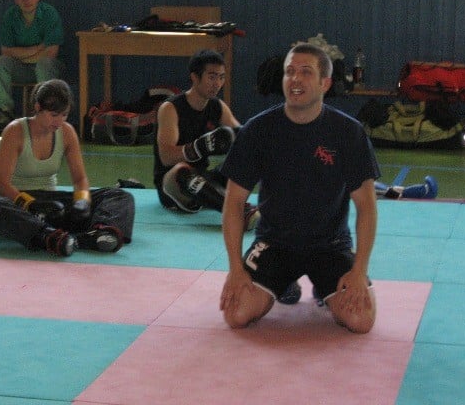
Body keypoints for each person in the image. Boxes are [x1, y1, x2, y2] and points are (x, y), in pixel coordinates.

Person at [219, 43, 379, 334]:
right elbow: (233, 202)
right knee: (236, 315)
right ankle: (283, 285)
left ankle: (324, 289)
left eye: (306, 72)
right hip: (274, 244)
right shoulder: (258, 131)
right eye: (289, 71)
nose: (295, 79)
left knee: (361, 320)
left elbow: (366, 206)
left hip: (331, 246)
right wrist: (235, 269)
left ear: (325, 83)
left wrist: (359, 271)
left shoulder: (348, 132)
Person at [0, 79, 135, 256]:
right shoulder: (15, 131)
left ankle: (99, 234)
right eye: (54, 115)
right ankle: (48, 237)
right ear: (38, 107)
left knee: (119, 196)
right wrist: (31, 204)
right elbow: (1, 185)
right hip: (23, 206)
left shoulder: (67, 132)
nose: (59, 121)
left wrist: (82, 201)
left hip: (54, 206)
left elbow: (80, 179)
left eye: (64, 115)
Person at [153, 49, 260, 231]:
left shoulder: (217, 106)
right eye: (211, 77)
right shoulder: (170, 108)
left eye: (221, 77)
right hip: (173, 185)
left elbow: (243, 139)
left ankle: (273, 202)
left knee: (250, 156)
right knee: (181, 171)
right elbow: (166, 157)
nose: (217, 83)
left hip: (204, 179)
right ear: (195, 77)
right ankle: (237, 212)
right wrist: (200, 147)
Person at [0, 0, 64, 131]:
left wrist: (20, 53)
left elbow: (51, 52)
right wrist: (37, 49)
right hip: (22, 69)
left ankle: (44, 111)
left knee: (44, 64)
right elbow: (6, 52)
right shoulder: (10, 16)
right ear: (16, 0)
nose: (27, 0)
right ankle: (5, 111)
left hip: (49, 69)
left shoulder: (49, 13)